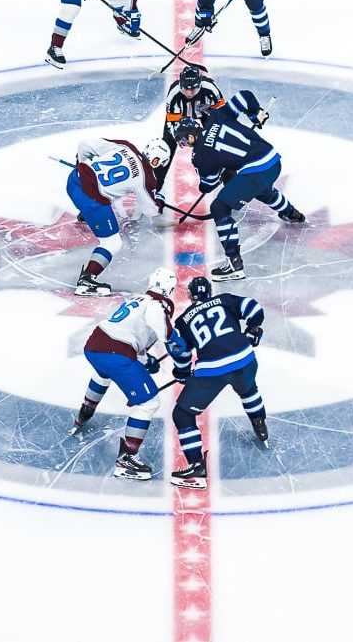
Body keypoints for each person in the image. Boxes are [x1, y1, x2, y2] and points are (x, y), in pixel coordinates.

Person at [175, 92, 305, 282]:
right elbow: (244, 97)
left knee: (219, 208)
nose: (184, 145)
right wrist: (255, 113)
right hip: (273, 160)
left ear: (190, 136)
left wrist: (211, 178)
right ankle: (291, 213)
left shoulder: (200, 156)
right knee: (259, 189)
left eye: (183, 141)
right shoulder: (216, 116)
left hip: (256, 170)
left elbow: (209, 184)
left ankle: (234, 264)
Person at [71, 267, 177, 481]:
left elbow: (129, 336)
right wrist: (180, 349)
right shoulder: (157, 305)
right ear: (170, 290)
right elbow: (168, 337)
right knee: (148, 403)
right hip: (116, 353)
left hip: (95, 344)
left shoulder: (136, 299)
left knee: (103, 373)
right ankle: (126, 459)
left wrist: (146, 360)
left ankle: (85, 412)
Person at [166, 275, 268, 489]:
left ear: (191, 296)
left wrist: (182, 373)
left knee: (182, 414)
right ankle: (259, 423)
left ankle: (196, 466)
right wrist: (252, 329)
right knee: (248, 390)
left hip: (213, 371)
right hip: (245, 359)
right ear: (210, 292)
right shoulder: (225, 300)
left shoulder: (183, 321)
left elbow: (182, 353)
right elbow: (254, 307)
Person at [67, 137, 170, 295]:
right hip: (90, 201)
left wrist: (80, 164)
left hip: (73, 180)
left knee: (108, 195)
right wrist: (160, 201)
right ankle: (86, 281)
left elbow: (85, 144)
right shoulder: (146, 177)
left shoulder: (127, 146)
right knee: (112, 243)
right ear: (155, 160)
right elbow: (151, 209)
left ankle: (87, 214)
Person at [156, 64, 226, 188]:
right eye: (185, 89)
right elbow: (172, 124)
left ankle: (230, 180)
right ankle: (155, 186)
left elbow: (224, 116)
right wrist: (179, 137)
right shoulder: (174, 93)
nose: (189, 93)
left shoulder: (210, 88)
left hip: (206, 113)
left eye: (193, 89)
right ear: (180, 84)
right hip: (180, 117)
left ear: (200, 84)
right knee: (166, 149)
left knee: (220, 144)